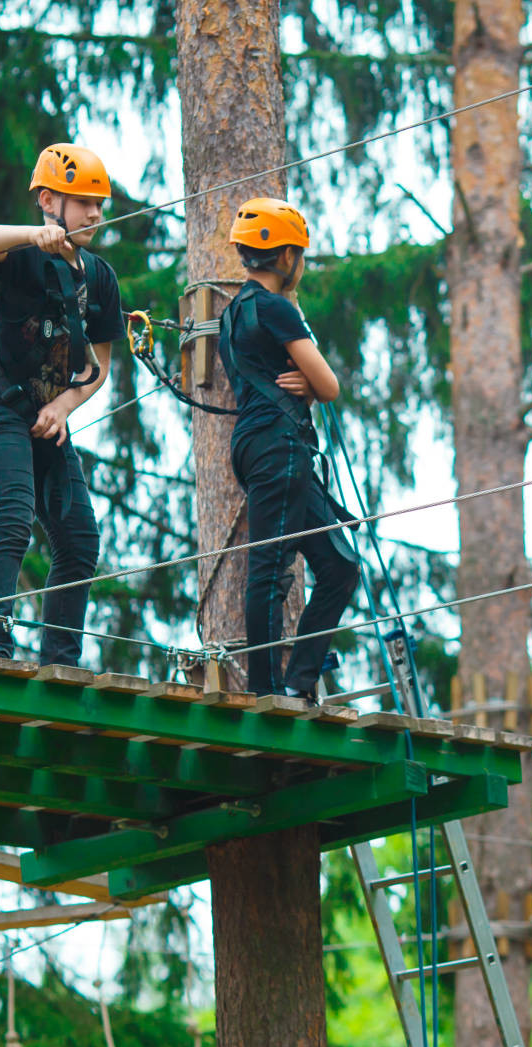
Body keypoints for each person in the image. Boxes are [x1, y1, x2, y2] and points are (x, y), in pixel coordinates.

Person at [0, 143, 124, 666]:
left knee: (79, 541)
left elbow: (99, 367)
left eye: (100, 203)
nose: (95, 213)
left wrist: (65, 407)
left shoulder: (97, 277)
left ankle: (61, 663)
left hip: (48, 419)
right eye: (82, 201)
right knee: (10, 517)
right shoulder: (20, 254)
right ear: (50, 200)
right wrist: (35, 234)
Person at [218, 197, 360, 699]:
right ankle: (267, 691)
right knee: (271, 567)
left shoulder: (232, 315)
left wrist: (303, 377)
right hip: (280, 445)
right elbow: (329, 385)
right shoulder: (275, 308)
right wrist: (310, 377)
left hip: (263, 446)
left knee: (340, 566)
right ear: (284, 257)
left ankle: (298, 684)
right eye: (299, 253)